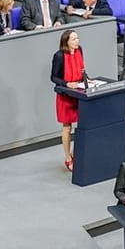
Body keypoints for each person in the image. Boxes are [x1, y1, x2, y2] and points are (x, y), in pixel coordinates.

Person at [49, 28, 85, 168]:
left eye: (77, 38)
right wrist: (67, 84)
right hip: (66, 95)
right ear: (67, 42)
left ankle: (78, 154)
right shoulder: (59, 56)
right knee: (67, 127)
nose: (77, 41)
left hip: (80, 93)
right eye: (74, 39)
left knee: (82, 125)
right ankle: (68, 157)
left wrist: (87, 80)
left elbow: (82, 70)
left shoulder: (79, 50)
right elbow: (53, 77)